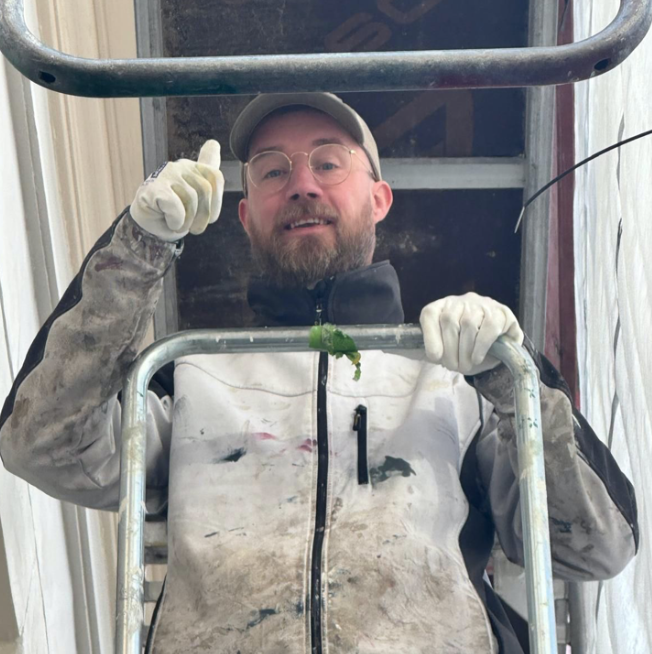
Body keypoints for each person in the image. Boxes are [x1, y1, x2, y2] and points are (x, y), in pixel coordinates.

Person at [0, 93, 638, 654]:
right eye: (272, 170)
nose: (302, 185)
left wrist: (515, 379)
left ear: (380, 199)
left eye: (329, 163)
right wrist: (136, 248)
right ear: (245, 215)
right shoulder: (189, 377)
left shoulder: (455, 382)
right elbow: (40, 441)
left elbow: (598, 545)